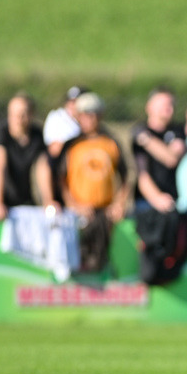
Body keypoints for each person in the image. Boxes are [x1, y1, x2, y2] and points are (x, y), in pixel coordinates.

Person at [57, 93, 129, 273]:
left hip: (105, 211)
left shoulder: (111, 142)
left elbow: (127, 176)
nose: (89, 118)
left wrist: (119, 203)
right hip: (79, 211)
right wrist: (74, 204)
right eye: (84, 114)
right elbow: (61, 180)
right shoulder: (72, 145)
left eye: (93, 113)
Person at [132, 88, 187, 285]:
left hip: (172, 202)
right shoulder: (138, 131)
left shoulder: (177, 131)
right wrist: (156, 199)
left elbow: (172, 158)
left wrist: (147, 140)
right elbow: (142, 174)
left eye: (171, 104)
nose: (169, 109)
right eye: (163, 104)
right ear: (149, 107)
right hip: (147, 203)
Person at [0, 93, 56, 221]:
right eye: (14, 114)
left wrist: (48, 200)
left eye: (23, 113)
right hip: (6, 200)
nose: (18, 118)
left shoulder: (37, 135)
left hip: (29, 200)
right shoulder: (0, 133)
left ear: (31, 115)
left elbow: (43, 168)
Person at [43, 86, 86, 160]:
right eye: (72, 101)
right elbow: (54, 149)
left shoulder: (88, 120)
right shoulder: (56, 117)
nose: (74, 105)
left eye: (77, 101)